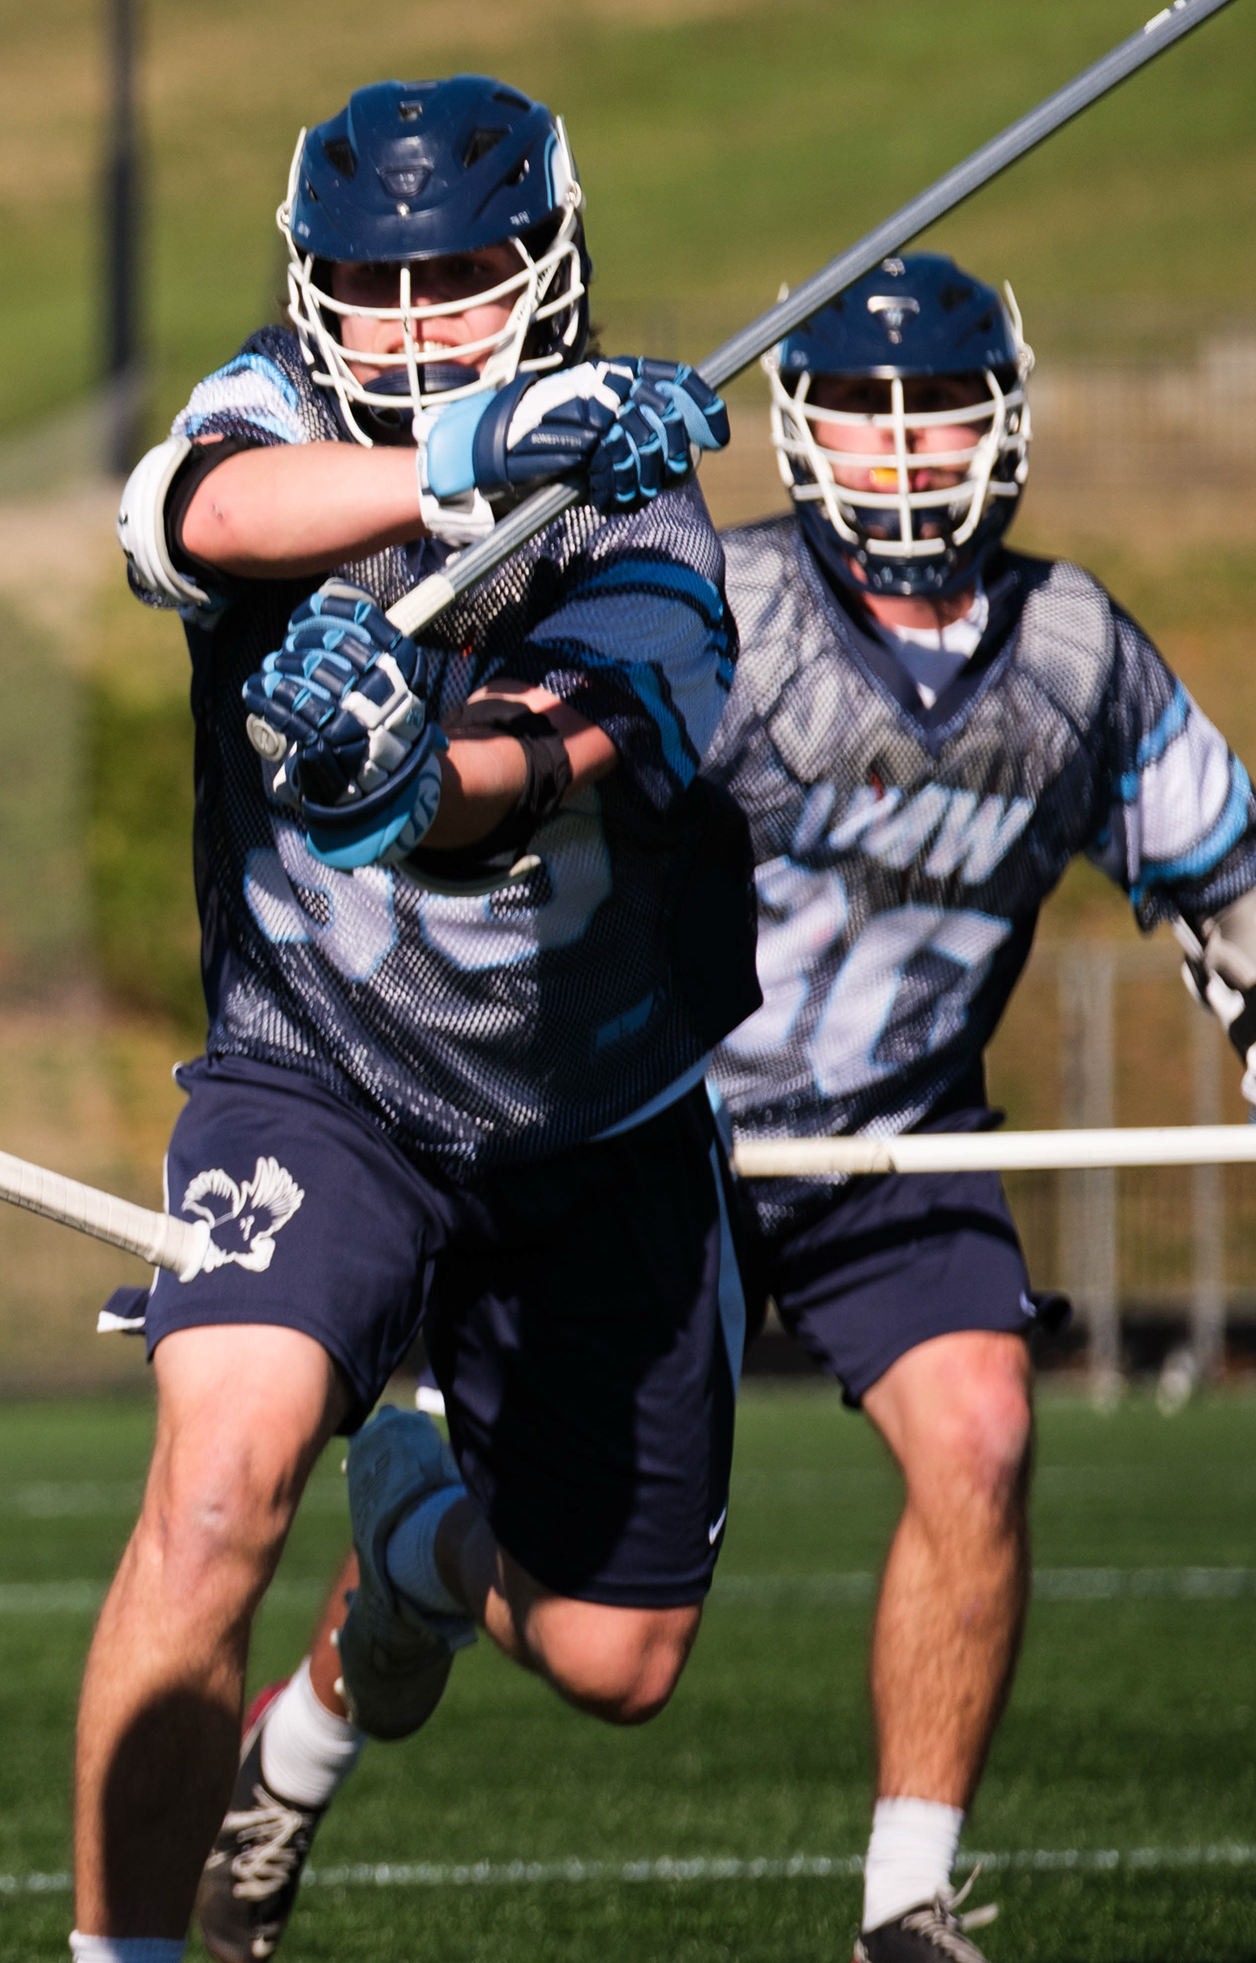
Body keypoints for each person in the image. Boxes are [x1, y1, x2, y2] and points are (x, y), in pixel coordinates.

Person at [200, 254, 1256, 1963]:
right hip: (648, 1132)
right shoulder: (717, 600)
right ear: (798, 427)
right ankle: (380, 1608)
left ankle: (907, 1907)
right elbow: (499, 810)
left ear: (1011, 424)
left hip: (894, 1141)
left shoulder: (1078, 653)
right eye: (863, 411)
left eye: (939, 415)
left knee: (982, 1429)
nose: (904, 455)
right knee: (607, 1645)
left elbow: (1225, 870)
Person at [89, 75, 758, 1963]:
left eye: (460, 279)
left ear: (549, 267)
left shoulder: (650, 500)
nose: (407, 324)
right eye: (371, 285)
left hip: (595, 1127)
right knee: (215, 1492)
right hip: (326, 1079)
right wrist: (472, 442)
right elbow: (200, 516)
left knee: (617, 1661)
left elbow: (585, 743)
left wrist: (418, 778)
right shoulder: (275, 411)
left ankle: (416, 1546)